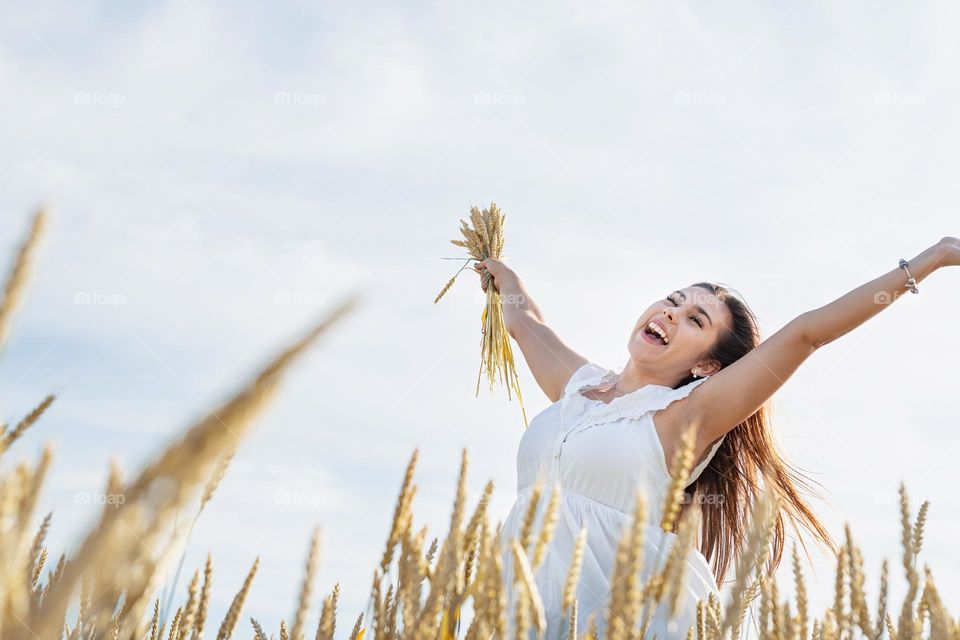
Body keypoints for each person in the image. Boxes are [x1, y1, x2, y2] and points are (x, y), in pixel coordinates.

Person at [472, 236, 958, 639]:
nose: (670, 314)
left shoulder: (688, 418)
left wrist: (933, 258)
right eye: (673, 301)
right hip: (518, 612)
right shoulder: (577, 388)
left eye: (694, 321)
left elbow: (807, 334)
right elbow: (524, 322)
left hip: (622, 623)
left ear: (706, 366)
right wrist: (504, 275)